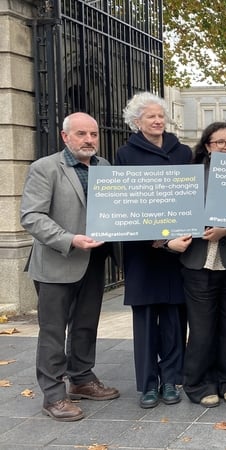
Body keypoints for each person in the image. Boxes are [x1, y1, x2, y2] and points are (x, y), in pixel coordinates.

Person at [20, 112, 120, 421]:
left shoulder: (105, 168)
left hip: (94, 260)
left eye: (93, 134)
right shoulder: (45, 168)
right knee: (53, 330)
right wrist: (69, 239)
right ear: (66, 137)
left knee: (86, 324)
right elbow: (32, 217)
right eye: (81, 134)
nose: (89, 140)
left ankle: (81, 379)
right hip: (57, 260)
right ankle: (53, 396)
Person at [116, 92, 193, 409]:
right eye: (150, 116)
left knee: (174, 320)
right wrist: (161, 241)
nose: (158, 120)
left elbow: (190, 201)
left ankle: (171, 380)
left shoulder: (183, 152)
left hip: (178, 255)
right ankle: (148, 384)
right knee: (146, 322)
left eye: (160, 115)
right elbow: (124, 208)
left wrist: (181, 238)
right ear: (137, 122)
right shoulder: (125, 155)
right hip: (144, 254)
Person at [176, 123, 226, 408]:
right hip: (198, 261)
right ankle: (198, 383)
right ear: (207, 145)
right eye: (220, 142)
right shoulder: (192, 176)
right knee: (202, 328)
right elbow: (176, 210)